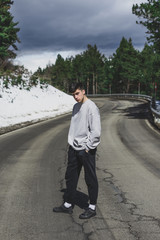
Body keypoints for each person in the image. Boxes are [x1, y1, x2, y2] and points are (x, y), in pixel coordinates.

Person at [53, 82, 101, 219]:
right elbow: (75, 127)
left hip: (86, 150)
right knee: (70, 176)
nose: (75, 96)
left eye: (77, 93)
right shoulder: (76, 106)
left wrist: (88, 147)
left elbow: (96, 131)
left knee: (90, 177)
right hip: (74, 149)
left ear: (83, 91)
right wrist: (72, 145)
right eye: (73, 94)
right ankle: (68, 204)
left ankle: (92, 207)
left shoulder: (91, 107)